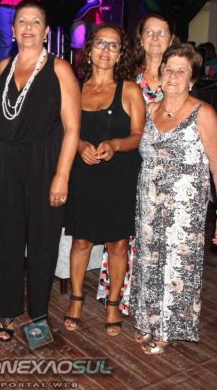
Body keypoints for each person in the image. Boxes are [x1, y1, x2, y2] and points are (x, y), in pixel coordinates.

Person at [0, 0, 80, 342]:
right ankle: (6, 310)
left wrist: (62, 175)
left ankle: (39, 315)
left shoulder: (60, 69)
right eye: (22, 21)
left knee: (42, 243)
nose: (28, 27)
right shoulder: (2, 66)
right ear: (12, 30)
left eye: (35, 22)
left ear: (46, 31)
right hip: (4, 162)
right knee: (5, 238)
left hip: (45, 163)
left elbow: (73, 127)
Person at [131, 43, 217, 355]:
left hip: (184, 210)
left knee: (176, 267)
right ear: (160, 74)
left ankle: (167, 329)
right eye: (168, 69)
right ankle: (149, 321)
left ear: (192, 79)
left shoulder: (204, 113)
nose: (173, 75)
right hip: (148, 204)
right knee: (148, 263)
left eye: (181, 71)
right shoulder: (148, 111)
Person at [63, 23, 145, 336]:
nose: (106, 50)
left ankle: (112, 304)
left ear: (121, 54)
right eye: (100, 43)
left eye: (113, 45)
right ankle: (76, 300)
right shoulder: (75, 88)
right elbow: (65, 130)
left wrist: (114, 145)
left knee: (118, 243)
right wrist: (81, 146)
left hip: (119, 176)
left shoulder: (130, 90)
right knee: (81, 240)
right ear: (90, 49)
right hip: (84, 174)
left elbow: (139, 135)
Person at [58, 0, 117, 74]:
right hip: (79, 13)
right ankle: (80, 76)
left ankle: (95, 75)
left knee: (98, 47)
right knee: (79, 45)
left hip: (97, 15)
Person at [134, 12, 178, 105]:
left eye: (161, 33)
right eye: (149, 32)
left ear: (171, 40)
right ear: (141, 39)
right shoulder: (127, 74)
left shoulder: (180, 76)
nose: (155, 38)